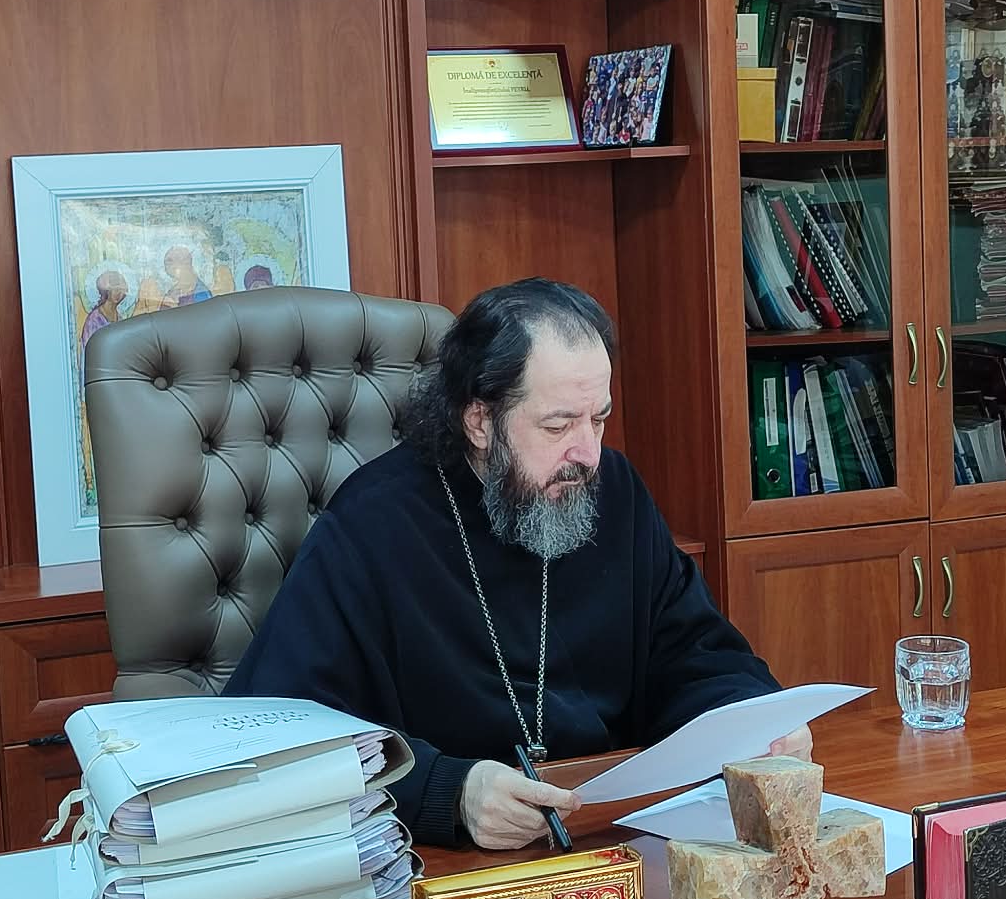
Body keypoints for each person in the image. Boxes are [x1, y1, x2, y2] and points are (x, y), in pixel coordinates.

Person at [226, 278, 806, 850]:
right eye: (558, 425)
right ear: (480, 421)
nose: (588, 453)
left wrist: (751, 721)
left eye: (598, 419)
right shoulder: (371, 524)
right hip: (446, 864)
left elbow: (691, 651)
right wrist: (449, 790)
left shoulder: (614, 491)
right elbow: (287, 735)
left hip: (611, 833)